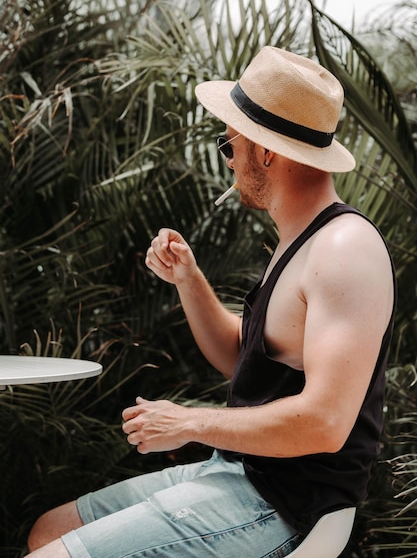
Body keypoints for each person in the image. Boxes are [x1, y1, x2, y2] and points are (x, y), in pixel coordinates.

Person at [26, 46, 396, 558]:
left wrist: (187, 422)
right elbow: (243, 358)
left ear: (267, 153)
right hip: (240, 471)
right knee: (49, 530)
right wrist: (190, 280)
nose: (227, 161)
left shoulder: (343, 249)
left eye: (229, 144)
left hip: (287, 501)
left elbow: (326, 423)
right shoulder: (300, 241)